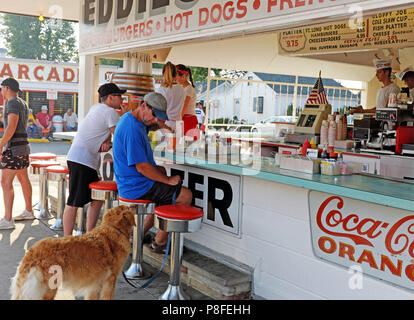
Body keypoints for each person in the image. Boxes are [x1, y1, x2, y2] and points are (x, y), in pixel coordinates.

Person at [113, 92, 192, 253]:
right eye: (154, 115)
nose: (155, 120)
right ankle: (160, 242)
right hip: (136, 186)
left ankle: (138, 237)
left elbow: (154, 125)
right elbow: (142, 167)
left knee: (165, 192)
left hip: (133, 182)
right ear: (144, 106)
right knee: (184, 196)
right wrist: (167, 180)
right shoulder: (133, 129)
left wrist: (164, 125)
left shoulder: (133, 119)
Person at [62, 83, 127, 236]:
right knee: (74, 202)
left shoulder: (96, 108)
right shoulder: (110, 112)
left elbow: (104, 139)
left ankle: (90, 234)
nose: (122, 99)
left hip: (82, 159)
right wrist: (125, 117)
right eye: (119, 96)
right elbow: (120, 138)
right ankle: (67, 240)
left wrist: (107, 143)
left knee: (97, 198)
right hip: (82, 160)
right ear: (110, 98)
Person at [0, 78, 34, 229]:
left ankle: (8, 220)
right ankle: (28, 211)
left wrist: (0, 145)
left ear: (6, 88)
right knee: (23, 178)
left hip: (13, 148)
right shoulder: (22, 102)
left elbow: (11, 127)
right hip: (23, 147)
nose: (1, 92)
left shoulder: (12, 103)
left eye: (1, 89)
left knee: (6, 183)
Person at [156, 62, 185, 131]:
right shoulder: (182, 89)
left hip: (166, 125)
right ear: (176, 74)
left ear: (163, 74)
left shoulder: (162, 90)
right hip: (179, 124)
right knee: (178, 142)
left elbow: (157, 111)